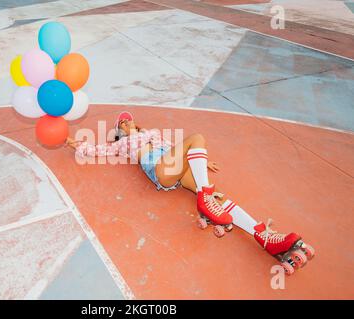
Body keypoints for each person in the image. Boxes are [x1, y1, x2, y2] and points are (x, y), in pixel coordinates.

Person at [65, 111, 314, 275]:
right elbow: (97, 150)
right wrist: (78, 145)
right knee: (197, 138)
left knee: (218, 197)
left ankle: (265, 237)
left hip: (174, 164)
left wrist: (201, 162)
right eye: (122, 122)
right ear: (119, 130)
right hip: (160, 170)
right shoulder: (121, 143)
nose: (127, 122)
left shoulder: (152, 133)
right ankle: (205, 199)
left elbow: (177, 150)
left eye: (129, 119)